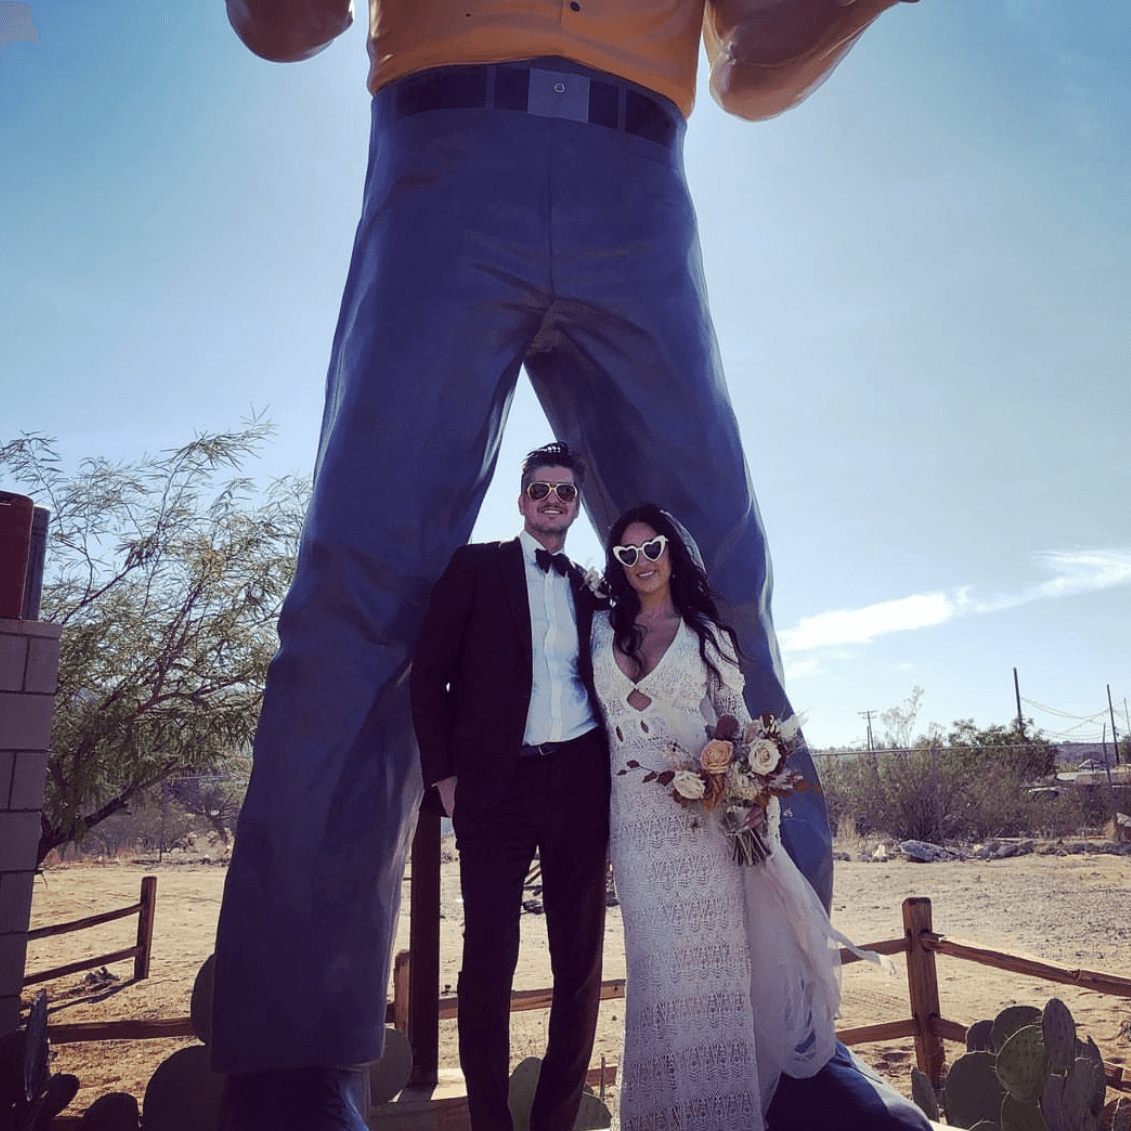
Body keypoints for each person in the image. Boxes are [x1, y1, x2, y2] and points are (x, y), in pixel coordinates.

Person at [212, 1, 923, 1127]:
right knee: (363, 590)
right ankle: (289, 1061)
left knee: (716, 593)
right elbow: (285, 28)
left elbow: (746, 69)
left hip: (639, 185)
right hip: (440, 161)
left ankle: (784, 1047)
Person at [594, 504, 927, 1131]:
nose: (642, 562)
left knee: (715, 967)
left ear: (673, 552)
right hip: (637, 830)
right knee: (658, 974)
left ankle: (725, 1112)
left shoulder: (706, 636)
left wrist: (749, 795)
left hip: (705, 824)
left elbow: (743, 725)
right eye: (627, 553)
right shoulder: (598, 630)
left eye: (652, 547)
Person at [410, 443, 610, 1131]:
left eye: (564, 492)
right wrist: (444, 779)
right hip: (494, 787)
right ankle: (489, 1121)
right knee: (487, 961)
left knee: (578, 961)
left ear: (575, 505)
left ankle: (553, 1119)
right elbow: (427, 674)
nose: (553, 500)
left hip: (580, 780)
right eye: (540, 489)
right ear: (522, 500)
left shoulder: (591, 585)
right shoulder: (476, 566)